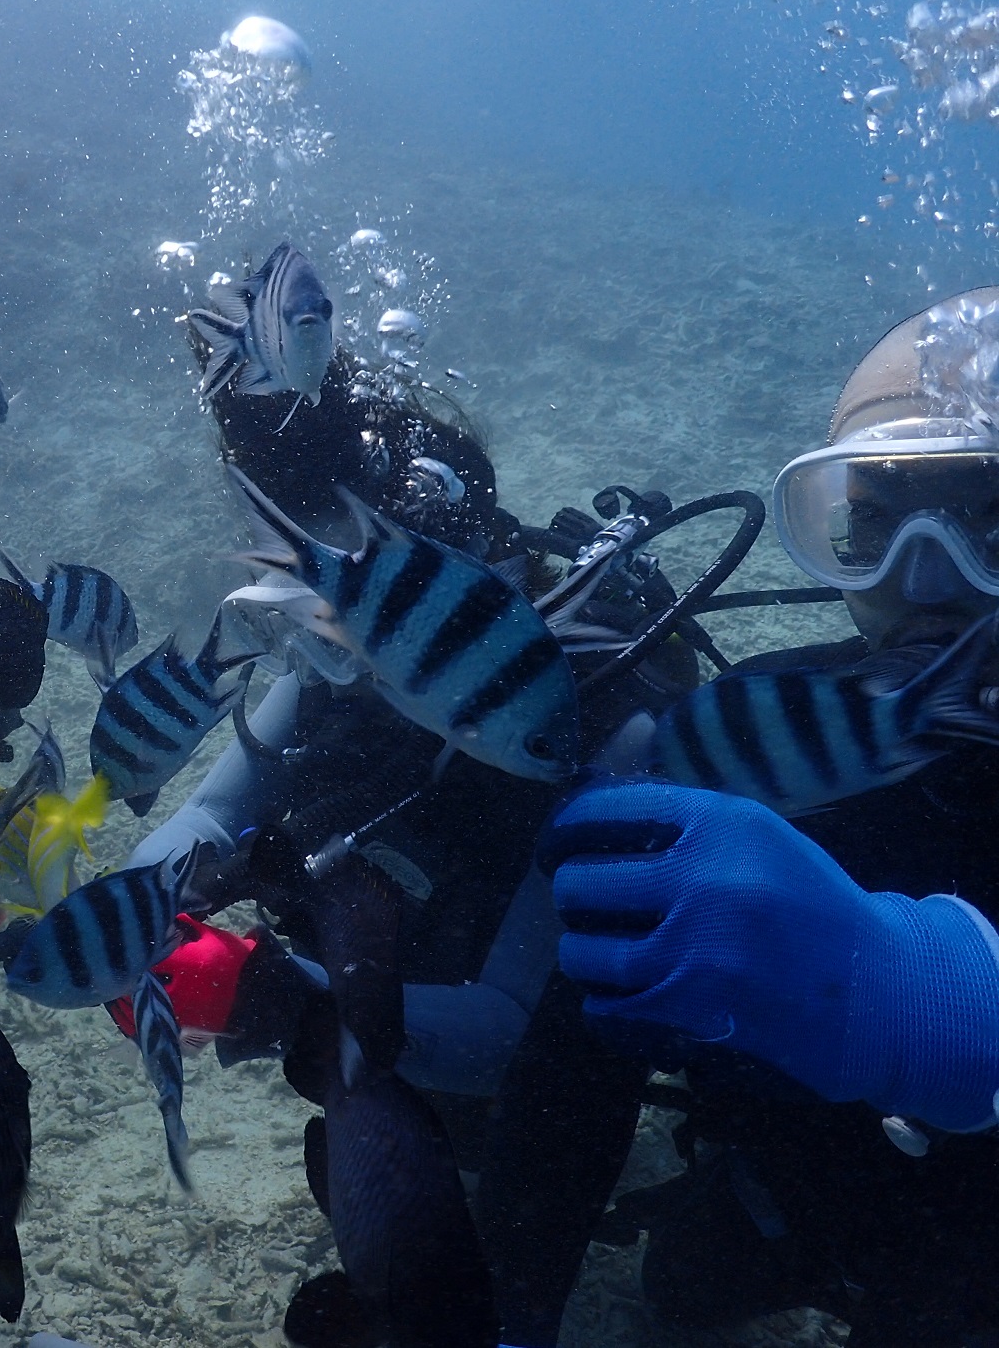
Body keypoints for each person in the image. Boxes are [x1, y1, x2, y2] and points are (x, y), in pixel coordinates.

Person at [127, 329, 716, 1341]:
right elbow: (205, 818)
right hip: (383, 1034)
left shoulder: (591, 719)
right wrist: (139, 916)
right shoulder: (342, 660)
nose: (335, 642)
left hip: (515, 1066)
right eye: (329, 609)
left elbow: (506, 1033)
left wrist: (282, 997)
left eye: (362, 612)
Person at [528, 288, 999, 1346]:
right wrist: (511, 1312)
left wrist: (955, 1008)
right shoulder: (755, 733)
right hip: (790, 1207)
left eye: (991, 523)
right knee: (678, 1289)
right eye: (870, 527)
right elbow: (574, 1056)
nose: (925, 583)